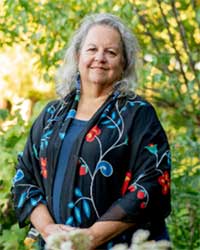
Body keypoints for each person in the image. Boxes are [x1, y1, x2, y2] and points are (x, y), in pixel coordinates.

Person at [12, 13, 171, 249]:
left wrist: (90, 238)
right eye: (92, 49)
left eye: (111, 52)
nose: (100, 58)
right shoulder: (51, 115)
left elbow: (153, 184)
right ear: (78, 56)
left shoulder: (138, 114)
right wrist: (48, 230)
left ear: (124, 63)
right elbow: (24, 177)